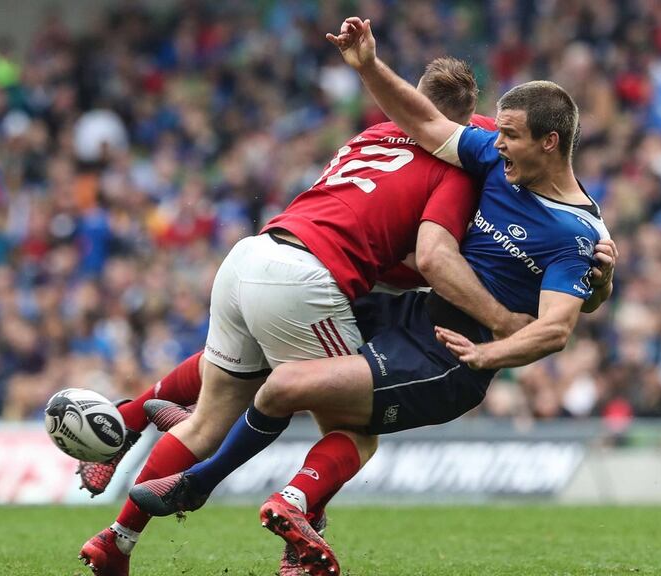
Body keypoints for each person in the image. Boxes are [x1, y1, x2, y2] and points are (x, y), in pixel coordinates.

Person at [131, 17, 616, 576]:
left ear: (549, 143)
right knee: (281, 333)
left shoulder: (577, 234)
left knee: (293, 386)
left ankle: (202, 482)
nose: (496, 141)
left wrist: (489, 351)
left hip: (448, 359)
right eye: (498, 132)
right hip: (410, 313)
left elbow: (557, 327)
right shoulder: (494, 163)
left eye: (510, 135)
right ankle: (279, 494)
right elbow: (425, 119)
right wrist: (367, 66)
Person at [78, 57, 529, 576]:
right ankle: (296, 530)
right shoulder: (456, 166)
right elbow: (430, 257)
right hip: (305, 279)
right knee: (354, 428)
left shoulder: (372, 136)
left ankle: (117, 539)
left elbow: (381, 249)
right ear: (465, 118)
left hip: (250, 257)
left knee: (206, 422)